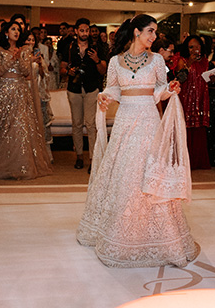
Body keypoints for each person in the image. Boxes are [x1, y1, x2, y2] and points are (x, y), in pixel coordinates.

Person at [78, 14, 199, 268]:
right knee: (123, 173)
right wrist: (104, 96)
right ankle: (119, 233)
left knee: (148, 171)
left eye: (155, 33)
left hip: (148, 120)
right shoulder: (114, 61)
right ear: (136, 32)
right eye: (150, 32)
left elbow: (159, 91)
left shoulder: (156, 60)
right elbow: (113, 88)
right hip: (125, 121)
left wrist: (171, 88)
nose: (154, 37)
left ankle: (158, 236)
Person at [0, 23, 53, 179]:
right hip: (3, 91)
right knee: (3, 128)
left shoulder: (23, 49)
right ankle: (3, 164)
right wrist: (13, 58)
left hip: (21, 90)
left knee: (21, 127)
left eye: (18, 30)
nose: (16, 32)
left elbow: (25, 72)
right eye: (13, 29)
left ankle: (22, 166)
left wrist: (25, 57)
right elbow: (0, 70)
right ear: (5, 33)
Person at [63, 18, 107, 170]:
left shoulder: (98, 47)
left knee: (90, 124)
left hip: (91, 89)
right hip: (74, 89)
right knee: (76, 123)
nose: (85, 33)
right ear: (76, 31)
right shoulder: (69, 47)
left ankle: (93, 159)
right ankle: (79, 156)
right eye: (81, 30)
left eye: (87, 30)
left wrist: (96, 60)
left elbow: (103, 70)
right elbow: (62, 68)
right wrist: (68, 71)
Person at [176, 35, 211, 170]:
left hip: (201, 98)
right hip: (186, 98)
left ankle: (198, 160)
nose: (195, 49)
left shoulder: (205, 62)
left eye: (197, 46)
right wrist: (189, 64)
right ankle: (185, 160)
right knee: (186, 128)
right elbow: (180, 79)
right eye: (191, 47)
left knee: (199, 129)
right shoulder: (182, 61)